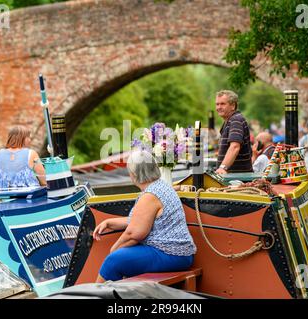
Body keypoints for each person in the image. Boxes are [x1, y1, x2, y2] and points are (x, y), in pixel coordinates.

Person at [93, 150, 197, 282]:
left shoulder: (150, 196)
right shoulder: (161, 187)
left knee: (113, 261)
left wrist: (114, 250)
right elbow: (140, 220)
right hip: (180, 254)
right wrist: (109, 223)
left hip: (170, 253)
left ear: (134, 174)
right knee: (118, 258)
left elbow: (134, 234)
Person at [215, 90, 252, 174]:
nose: (219, 107)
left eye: (223, 104)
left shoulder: (236, 120)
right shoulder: (230, 120)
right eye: (217, 104)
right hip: (234, 178)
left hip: (238, 180)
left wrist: (223, 168)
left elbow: (235, 146)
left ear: (233, 106)